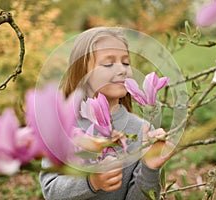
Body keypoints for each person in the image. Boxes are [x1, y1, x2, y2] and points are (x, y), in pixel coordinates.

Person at [39, 27, 171, 200]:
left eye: (126, 62)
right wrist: (92, 182)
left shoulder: (143, 131)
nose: (122, 70)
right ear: (82, 72)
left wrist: (149, 168)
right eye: (108, 63)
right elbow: (51, 191)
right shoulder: (62, 126)